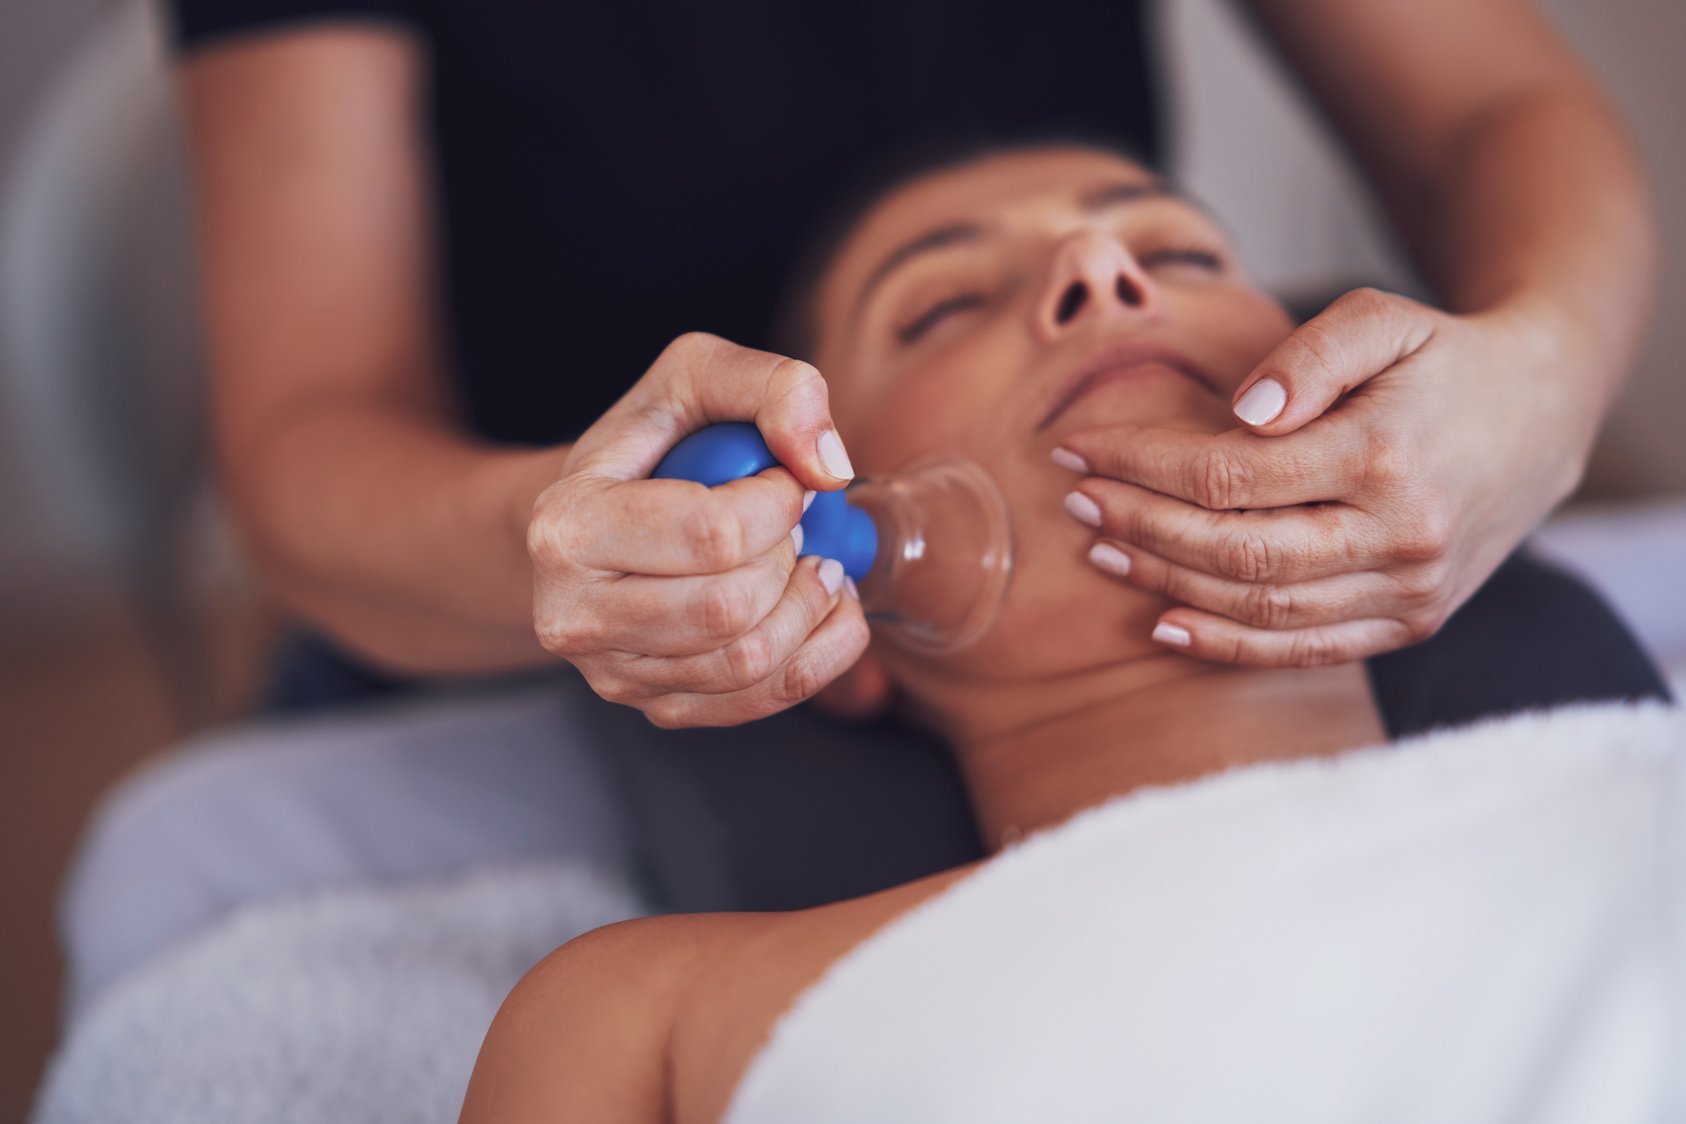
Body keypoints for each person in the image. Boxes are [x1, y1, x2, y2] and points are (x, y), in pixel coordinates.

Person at [455, 141, 1677, 1122]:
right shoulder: (640, 1021)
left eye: (1183, 251)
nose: (1099, 265)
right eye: (941, 307)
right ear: (806, 567)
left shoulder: (1635, 807)